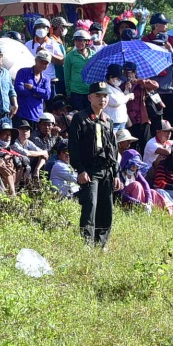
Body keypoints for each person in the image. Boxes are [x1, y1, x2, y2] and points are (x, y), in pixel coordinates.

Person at [68, 85, 119, 246]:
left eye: (105, 96)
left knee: (106, 208)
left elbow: (114, 149)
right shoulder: (80, 118)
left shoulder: (108, 121)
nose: (102, 99)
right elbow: (74, 147)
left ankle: (101, 243)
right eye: (98, 95)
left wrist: (115, 174)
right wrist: (80, 169)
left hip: (107, 171)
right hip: (89, 170)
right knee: (90, 205)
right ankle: (87, 243)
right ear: (90, 97)